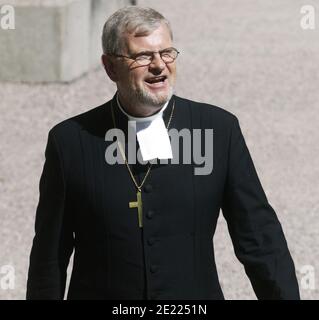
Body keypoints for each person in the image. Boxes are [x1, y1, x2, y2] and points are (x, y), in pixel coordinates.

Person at [26, 6, 300, 300]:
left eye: (166, 53)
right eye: (142, 56)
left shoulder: (218, 131)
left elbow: (260, 238)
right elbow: (49, 258)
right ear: (110, 67)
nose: (159, 65)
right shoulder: (70, 142)